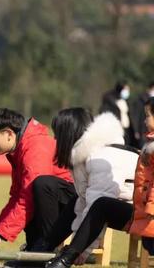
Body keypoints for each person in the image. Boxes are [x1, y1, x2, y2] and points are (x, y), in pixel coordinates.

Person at [45, 105, 147, 268]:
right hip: (135, 208)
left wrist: (81, 250)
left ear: (67, 134)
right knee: (77, 202)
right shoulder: (91, 152)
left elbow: (97, 205)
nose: (55, 141)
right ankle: (42, 250)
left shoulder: (101, 156)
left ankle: (64, 259)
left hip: (144, 215)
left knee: (101, 204)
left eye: (57, 135)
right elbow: (85, 202)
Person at [0, 108, 73, 252]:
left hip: (75, 203)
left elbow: (28, 198)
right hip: (57, 200)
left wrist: (0, 234)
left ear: (9, 134)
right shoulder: (20, 148)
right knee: (33, 191)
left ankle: (47, 247)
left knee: (40, 186)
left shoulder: (35, 147)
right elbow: (17, 196)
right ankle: (34, 249)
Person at [99, 80, 137, 147]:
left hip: (127, 130)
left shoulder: (125, 100)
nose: (127, 91)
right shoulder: (109, 99)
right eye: (125, 89)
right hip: (116, 130)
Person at [133, 82, 154, 148]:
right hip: (142, 130)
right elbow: (136, 116)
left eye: (148, 116)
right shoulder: (141, 100)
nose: (145, 120)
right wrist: (136, 130)